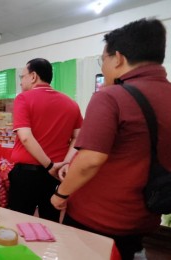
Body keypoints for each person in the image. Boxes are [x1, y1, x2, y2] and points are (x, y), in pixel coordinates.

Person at [51, 18, 171, 260]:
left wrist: (61, 193)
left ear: (118, 58)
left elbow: (91, 160)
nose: (103, 67)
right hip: (145, 213)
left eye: (102, 60)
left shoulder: (111, 96)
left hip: (99, 217)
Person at [8, 58, 83, 222]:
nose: (21, 82)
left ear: (33, 76)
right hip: (55, 177)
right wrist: (64, 164)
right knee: (50, 223)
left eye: (22, 77)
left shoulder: (24, 98)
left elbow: (26, 137)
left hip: (27, 175)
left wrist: (49, 165)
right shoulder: (71, 104)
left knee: (18, 222)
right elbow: (79, 137)